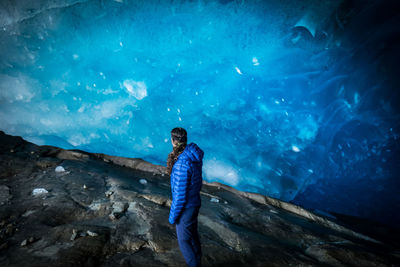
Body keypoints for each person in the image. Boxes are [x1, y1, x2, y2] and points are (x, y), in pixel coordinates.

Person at [167, 127, 203, 267]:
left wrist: (172, 217)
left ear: (173, 141)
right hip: (194, 203)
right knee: (192, 236)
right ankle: (197, 261)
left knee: (184, 241)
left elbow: (180, 196)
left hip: (187, 207)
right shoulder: (192, 155)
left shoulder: (182, 162)